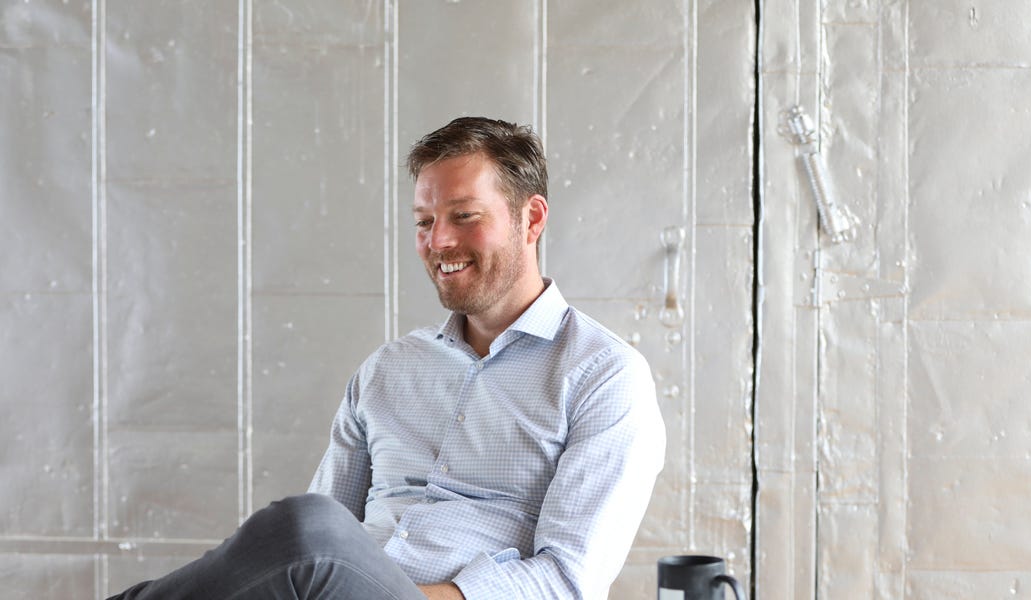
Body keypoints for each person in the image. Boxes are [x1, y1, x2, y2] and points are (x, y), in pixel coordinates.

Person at [107, 117, 666, 600]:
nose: (438, 241)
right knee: (305, 530)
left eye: (464, 216)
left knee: (309, 526)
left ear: (532, 218)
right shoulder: (387, 371)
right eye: (424, 222)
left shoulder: (603, 376)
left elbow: (568, 580)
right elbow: (305, 547)